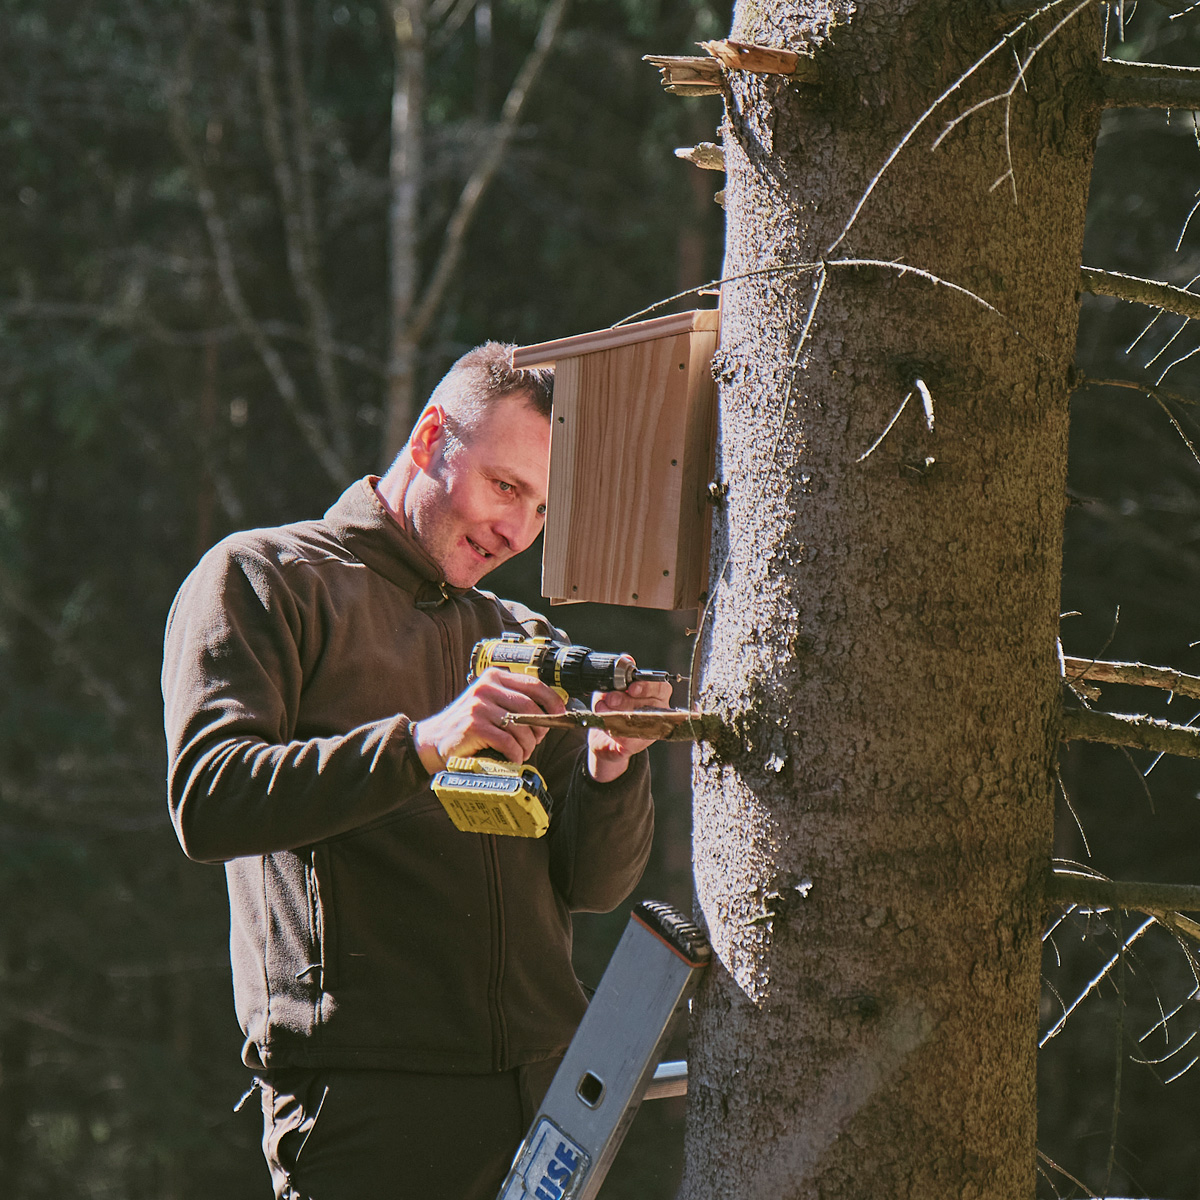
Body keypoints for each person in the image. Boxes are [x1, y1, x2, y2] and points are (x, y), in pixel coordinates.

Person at [161, 343, 670, 1199]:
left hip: (550, 1098)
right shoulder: (265, 578)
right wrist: (425, 744)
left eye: (541, 509)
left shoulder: (523, 636)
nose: (516, 530)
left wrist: (611, 772)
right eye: (505, 487)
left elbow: (591, 884)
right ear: (432, 436)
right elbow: (209, 800)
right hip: (369, 1101)